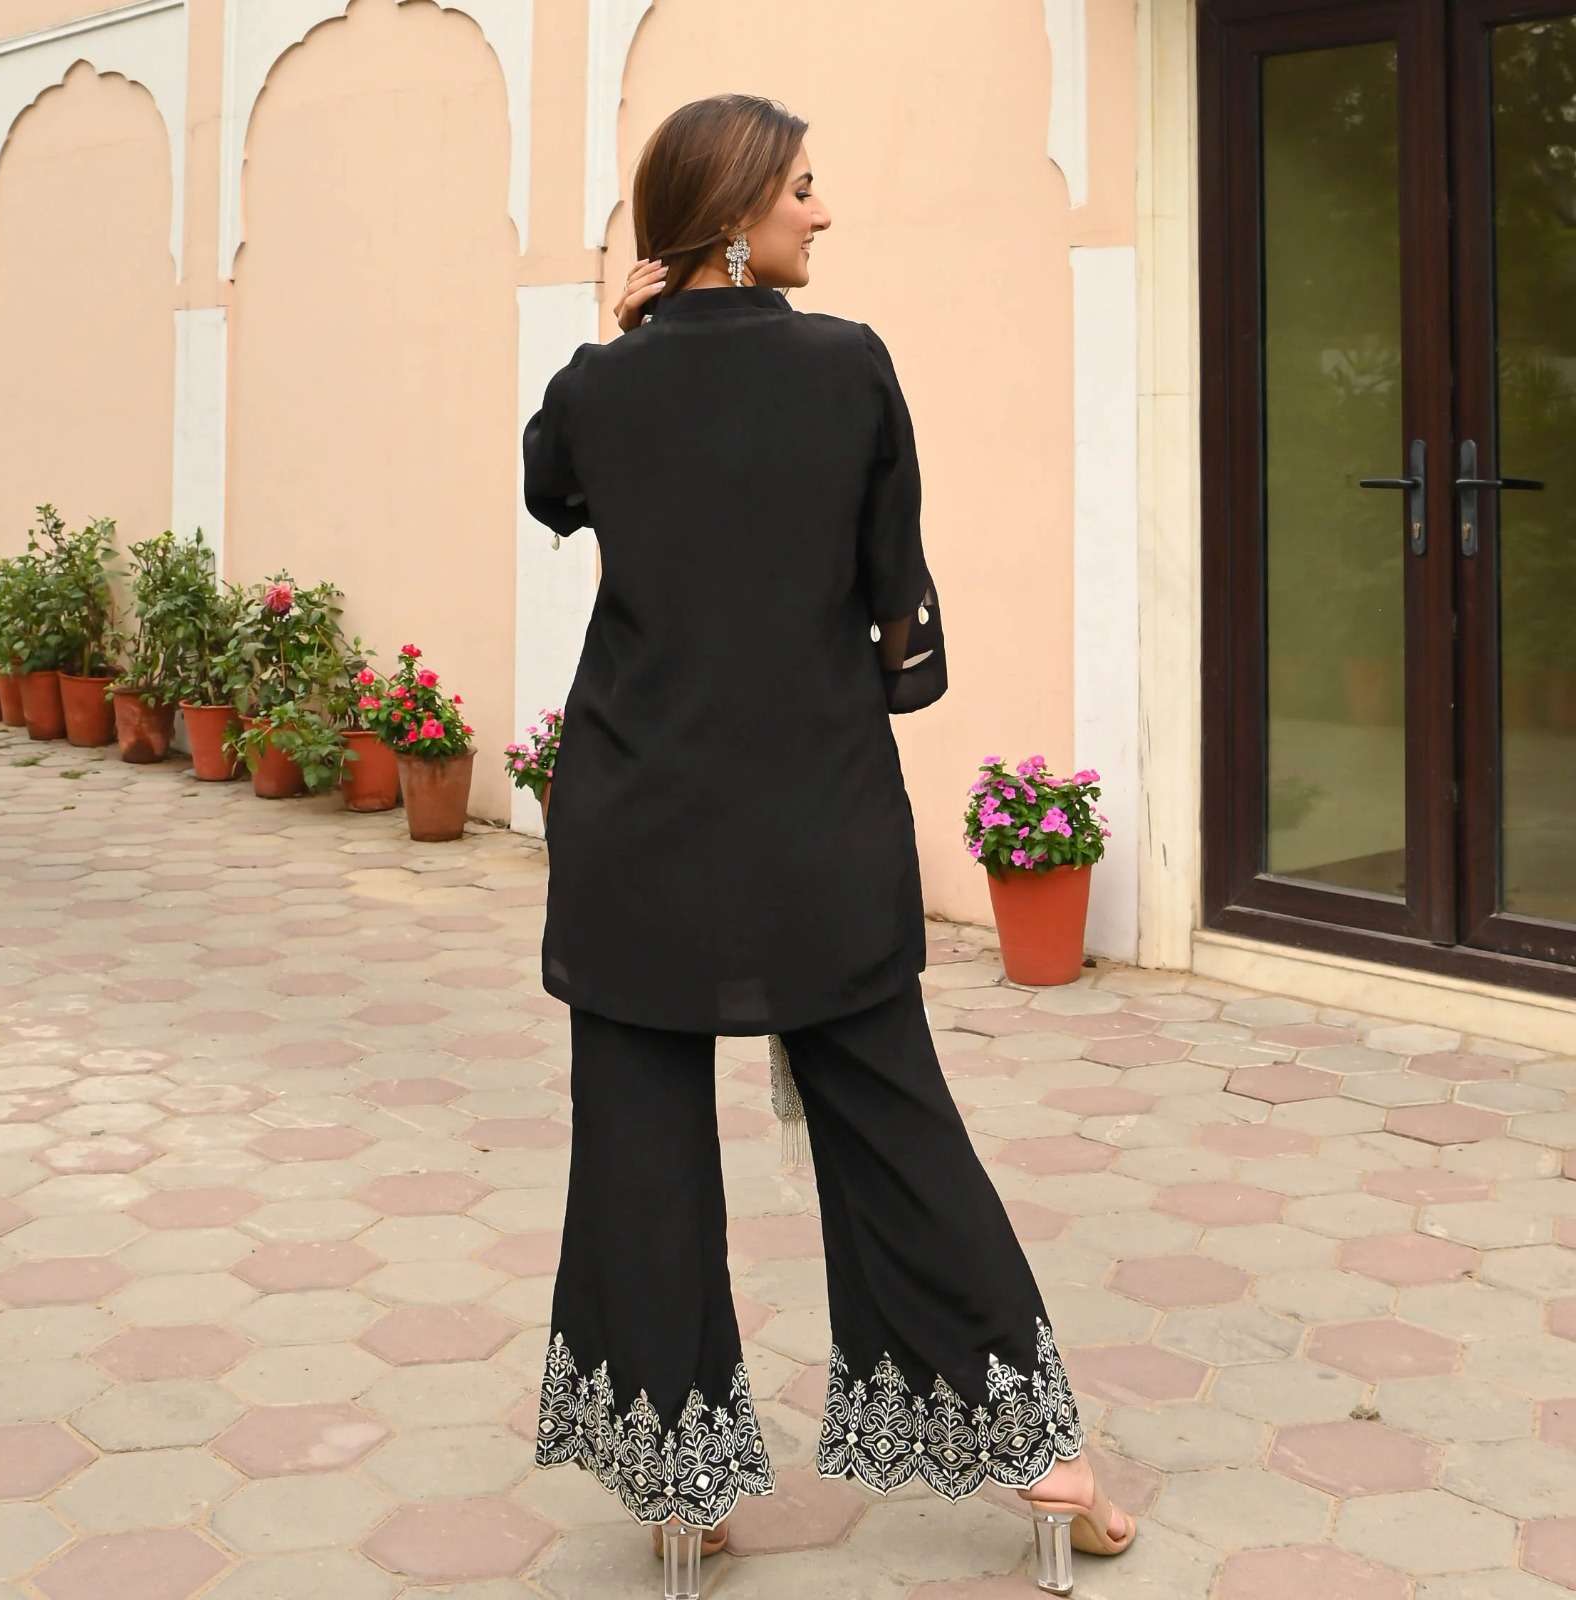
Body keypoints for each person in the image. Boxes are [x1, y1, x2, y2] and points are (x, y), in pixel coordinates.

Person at [522, 93, 1133, 1599]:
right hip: (815, 816)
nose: (822, 210)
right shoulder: (847, 365)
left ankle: (680, 1495)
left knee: (640, 1144)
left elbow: (551, 487)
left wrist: (624, 336)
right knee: (893, 1121)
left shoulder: (600, 385)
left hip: (637, 820)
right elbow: (888, 589)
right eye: (801, 186)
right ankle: (1041, 1460)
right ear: (733, 212)